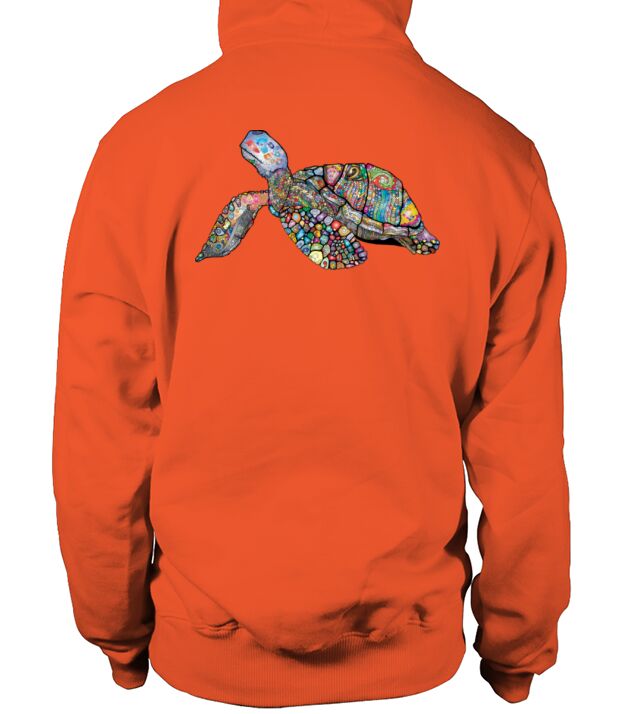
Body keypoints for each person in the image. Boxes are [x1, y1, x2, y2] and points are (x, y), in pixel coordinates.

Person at [53, 0, 570, 705]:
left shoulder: (138, 150)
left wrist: (116, 629)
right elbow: (521, 443)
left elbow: (102, 426)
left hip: (203, 642)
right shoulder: (496, 154)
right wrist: (517, 645)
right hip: (414, 648)